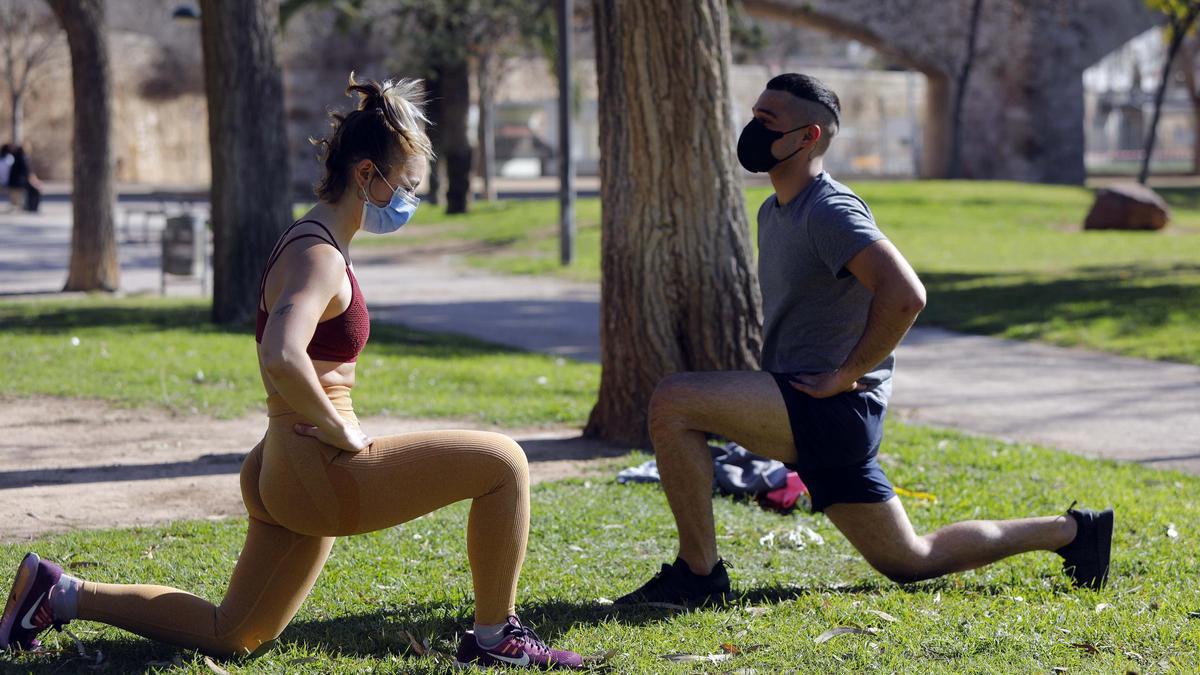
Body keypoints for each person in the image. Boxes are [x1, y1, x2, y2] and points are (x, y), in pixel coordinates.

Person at [0, 74, 583, 670]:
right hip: (316, 469)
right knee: (503, 463)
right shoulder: (320, 255)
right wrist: (342, 431)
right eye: (406, 186)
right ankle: (496, 640)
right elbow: (282, 352)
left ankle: (58, 593)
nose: (410, 200)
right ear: (365, 176)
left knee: (234, 632)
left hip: (287, 463)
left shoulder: (316, 239)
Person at [614, 73, 1113, 607]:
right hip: (817, 407)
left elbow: (905, 294)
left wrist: (846, 375)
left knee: (675, 401)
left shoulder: (829, 209)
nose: (751, 128)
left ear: (807, 137)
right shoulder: (774, 210)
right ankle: (1075, 532)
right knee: (910, 559)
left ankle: (699, 575)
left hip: (828, 406)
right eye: (754, 114)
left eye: (767, 121)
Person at [7, 145, 41, 213]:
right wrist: (33, 180)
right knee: (21, 195)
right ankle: (26, 207)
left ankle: (17, 207)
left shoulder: (15, 158)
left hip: (12, 181)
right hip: (19, 181)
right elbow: (27, 171)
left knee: (15, 196)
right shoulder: (23, 158)